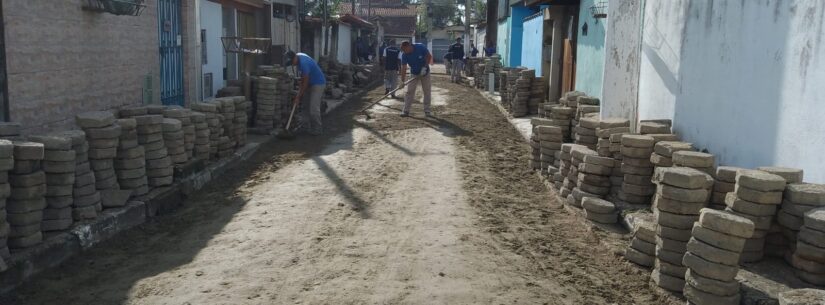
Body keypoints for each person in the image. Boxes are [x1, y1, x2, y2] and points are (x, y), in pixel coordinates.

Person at [284, 51, 326, 135]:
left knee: (313, 108)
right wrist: (300, 92)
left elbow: (305, 82)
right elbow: (303, 79)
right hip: (309, 82)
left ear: (295, 57)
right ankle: (305, 127)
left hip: (318, 83)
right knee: (305, 106)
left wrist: (298, 96)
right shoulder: (299, 57)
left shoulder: (304, 63)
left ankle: (317, 129)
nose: (293, 65)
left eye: (292, 62)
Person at [398, 41, 433, 117]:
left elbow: (429, 56)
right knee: (409, 91)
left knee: (427, 91)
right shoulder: (404, 55)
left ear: (409, 46)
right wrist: (402, 81)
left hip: (425, 73)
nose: (404, 52)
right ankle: (406, 111)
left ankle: (427, 110)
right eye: (403, 50)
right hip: (414, 73)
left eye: (405, 50)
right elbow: (403, 68)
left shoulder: (420, 47)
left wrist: (424, 67)